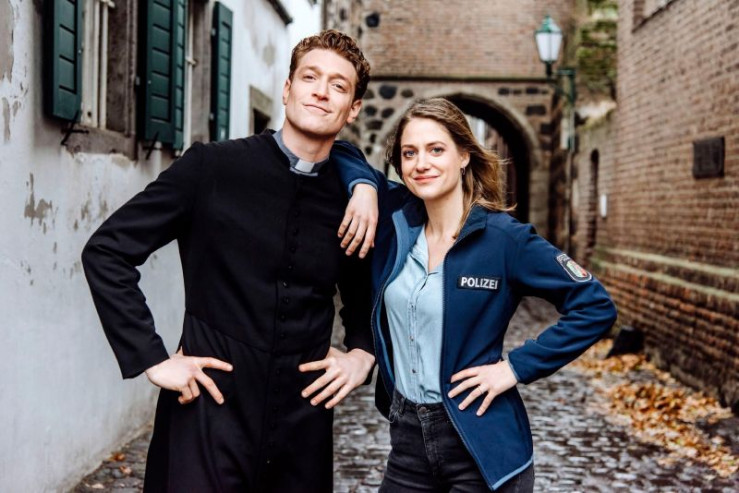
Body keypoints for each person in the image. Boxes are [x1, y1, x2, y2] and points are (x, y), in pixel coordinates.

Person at [82, 30, 380, 492]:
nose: (321, 92)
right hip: (206, 414)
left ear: (354, 108)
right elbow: (108, 251)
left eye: (338, 85)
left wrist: (362, 352)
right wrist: (151, 357)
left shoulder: (355, 200)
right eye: (310, 78)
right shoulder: (211, 168)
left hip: (302, 427)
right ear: (288, 89)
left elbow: (367, 296)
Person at [332, 98, 618, 492]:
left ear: (464, 155)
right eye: (409, 153)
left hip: (481, 445)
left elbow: (595, 306)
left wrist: (514, 368)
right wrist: (364, 187)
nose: (421, 163)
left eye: (436, 149)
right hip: (407, 441)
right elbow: (340, 152)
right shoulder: (393, 224)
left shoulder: (505, 239)